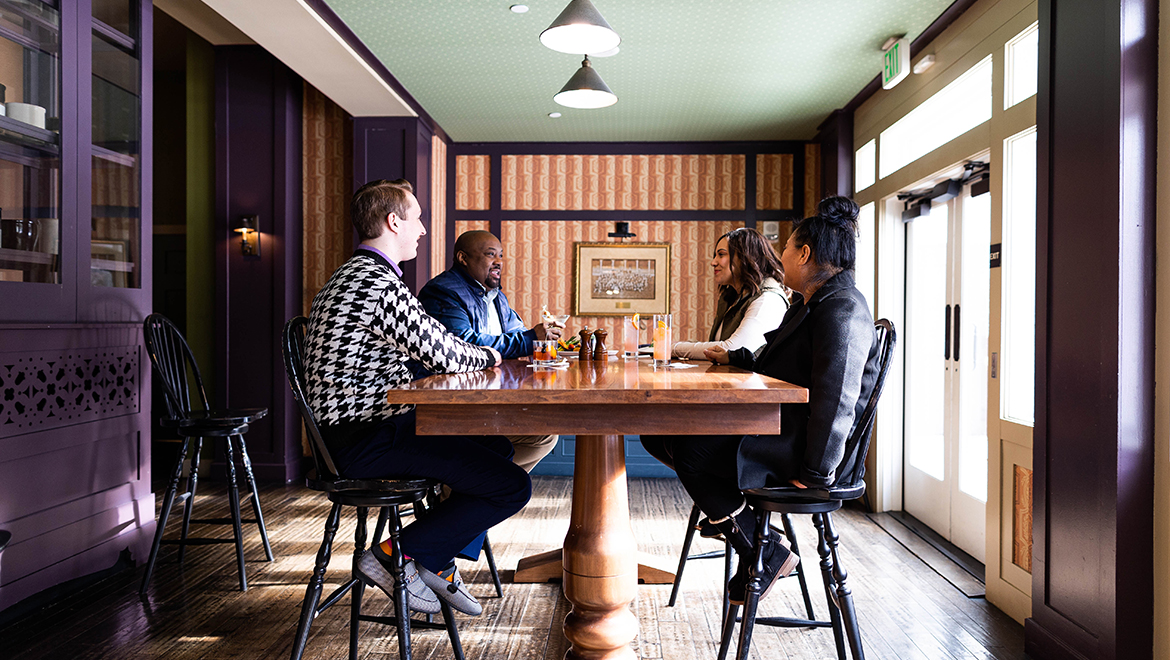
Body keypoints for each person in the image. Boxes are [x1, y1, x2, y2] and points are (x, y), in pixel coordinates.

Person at [304, 179, 531, 617]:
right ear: (393, 222)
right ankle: (395, 555)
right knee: (511, 485)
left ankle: (432, 557)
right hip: (367, 440)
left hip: (357, 433)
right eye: (417, 219)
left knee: (498, 448)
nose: (423, 230)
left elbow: (437, 343)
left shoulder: (352, 275)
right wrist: (492, 351)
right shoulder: (376, 283)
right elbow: (444, 351)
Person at [641, 196, 881, 605]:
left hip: (807, 452)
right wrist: (737, 356)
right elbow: (780, 363)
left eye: (786, 247)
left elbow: (838, 398)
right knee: (663, 435)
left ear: (805, 254)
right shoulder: (814, 302)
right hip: (783, 430)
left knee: (692, 453)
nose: (780, 255)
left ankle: (758, 545)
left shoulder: (841, 309)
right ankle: (742, 525)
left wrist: (816, 471)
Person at [418, 230, 561, 472]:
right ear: (463, 258)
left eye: (501, 255)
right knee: (540, 437)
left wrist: (542, 335)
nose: (499, 261)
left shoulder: (497, 297)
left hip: (490, 397)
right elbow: (464, 343)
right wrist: (529, 339)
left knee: (545, 436)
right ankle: (474, 489)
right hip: (454, 403)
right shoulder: (443, 291)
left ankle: (475, 489)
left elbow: (519, 333)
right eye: (490, 254)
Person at [671, 227, 788, 360]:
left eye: (721, 254)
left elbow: (730, 349)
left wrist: (672, 348)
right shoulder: (731, 298)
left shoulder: (768, 299)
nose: (713, 262)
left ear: (745, 257)